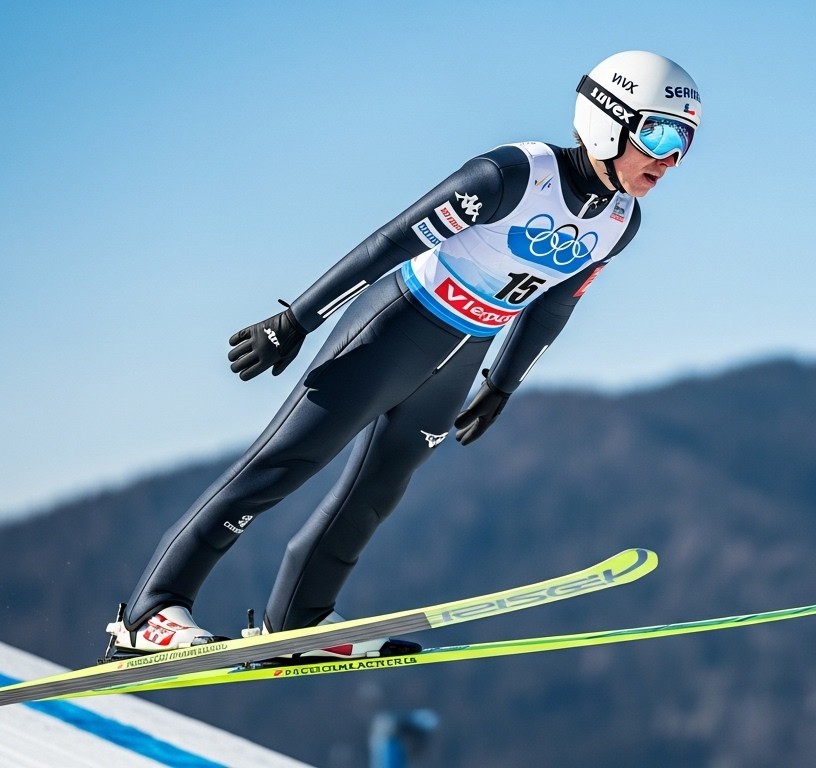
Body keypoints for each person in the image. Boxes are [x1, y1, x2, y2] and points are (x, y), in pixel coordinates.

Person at [105, 50, 702, 660]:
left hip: (464, 352)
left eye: (685, 143)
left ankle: (299, 623)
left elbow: (552, 306)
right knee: (283, 464)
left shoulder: (620, 221)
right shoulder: (512, 175)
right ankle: (148, 612)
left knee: (378, 490)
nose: (671, 157)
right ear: (609, 119)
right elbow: (389, 242)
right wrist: (297, 319)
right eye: (660, 133)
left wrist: (501, 386)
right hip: (396, 327)